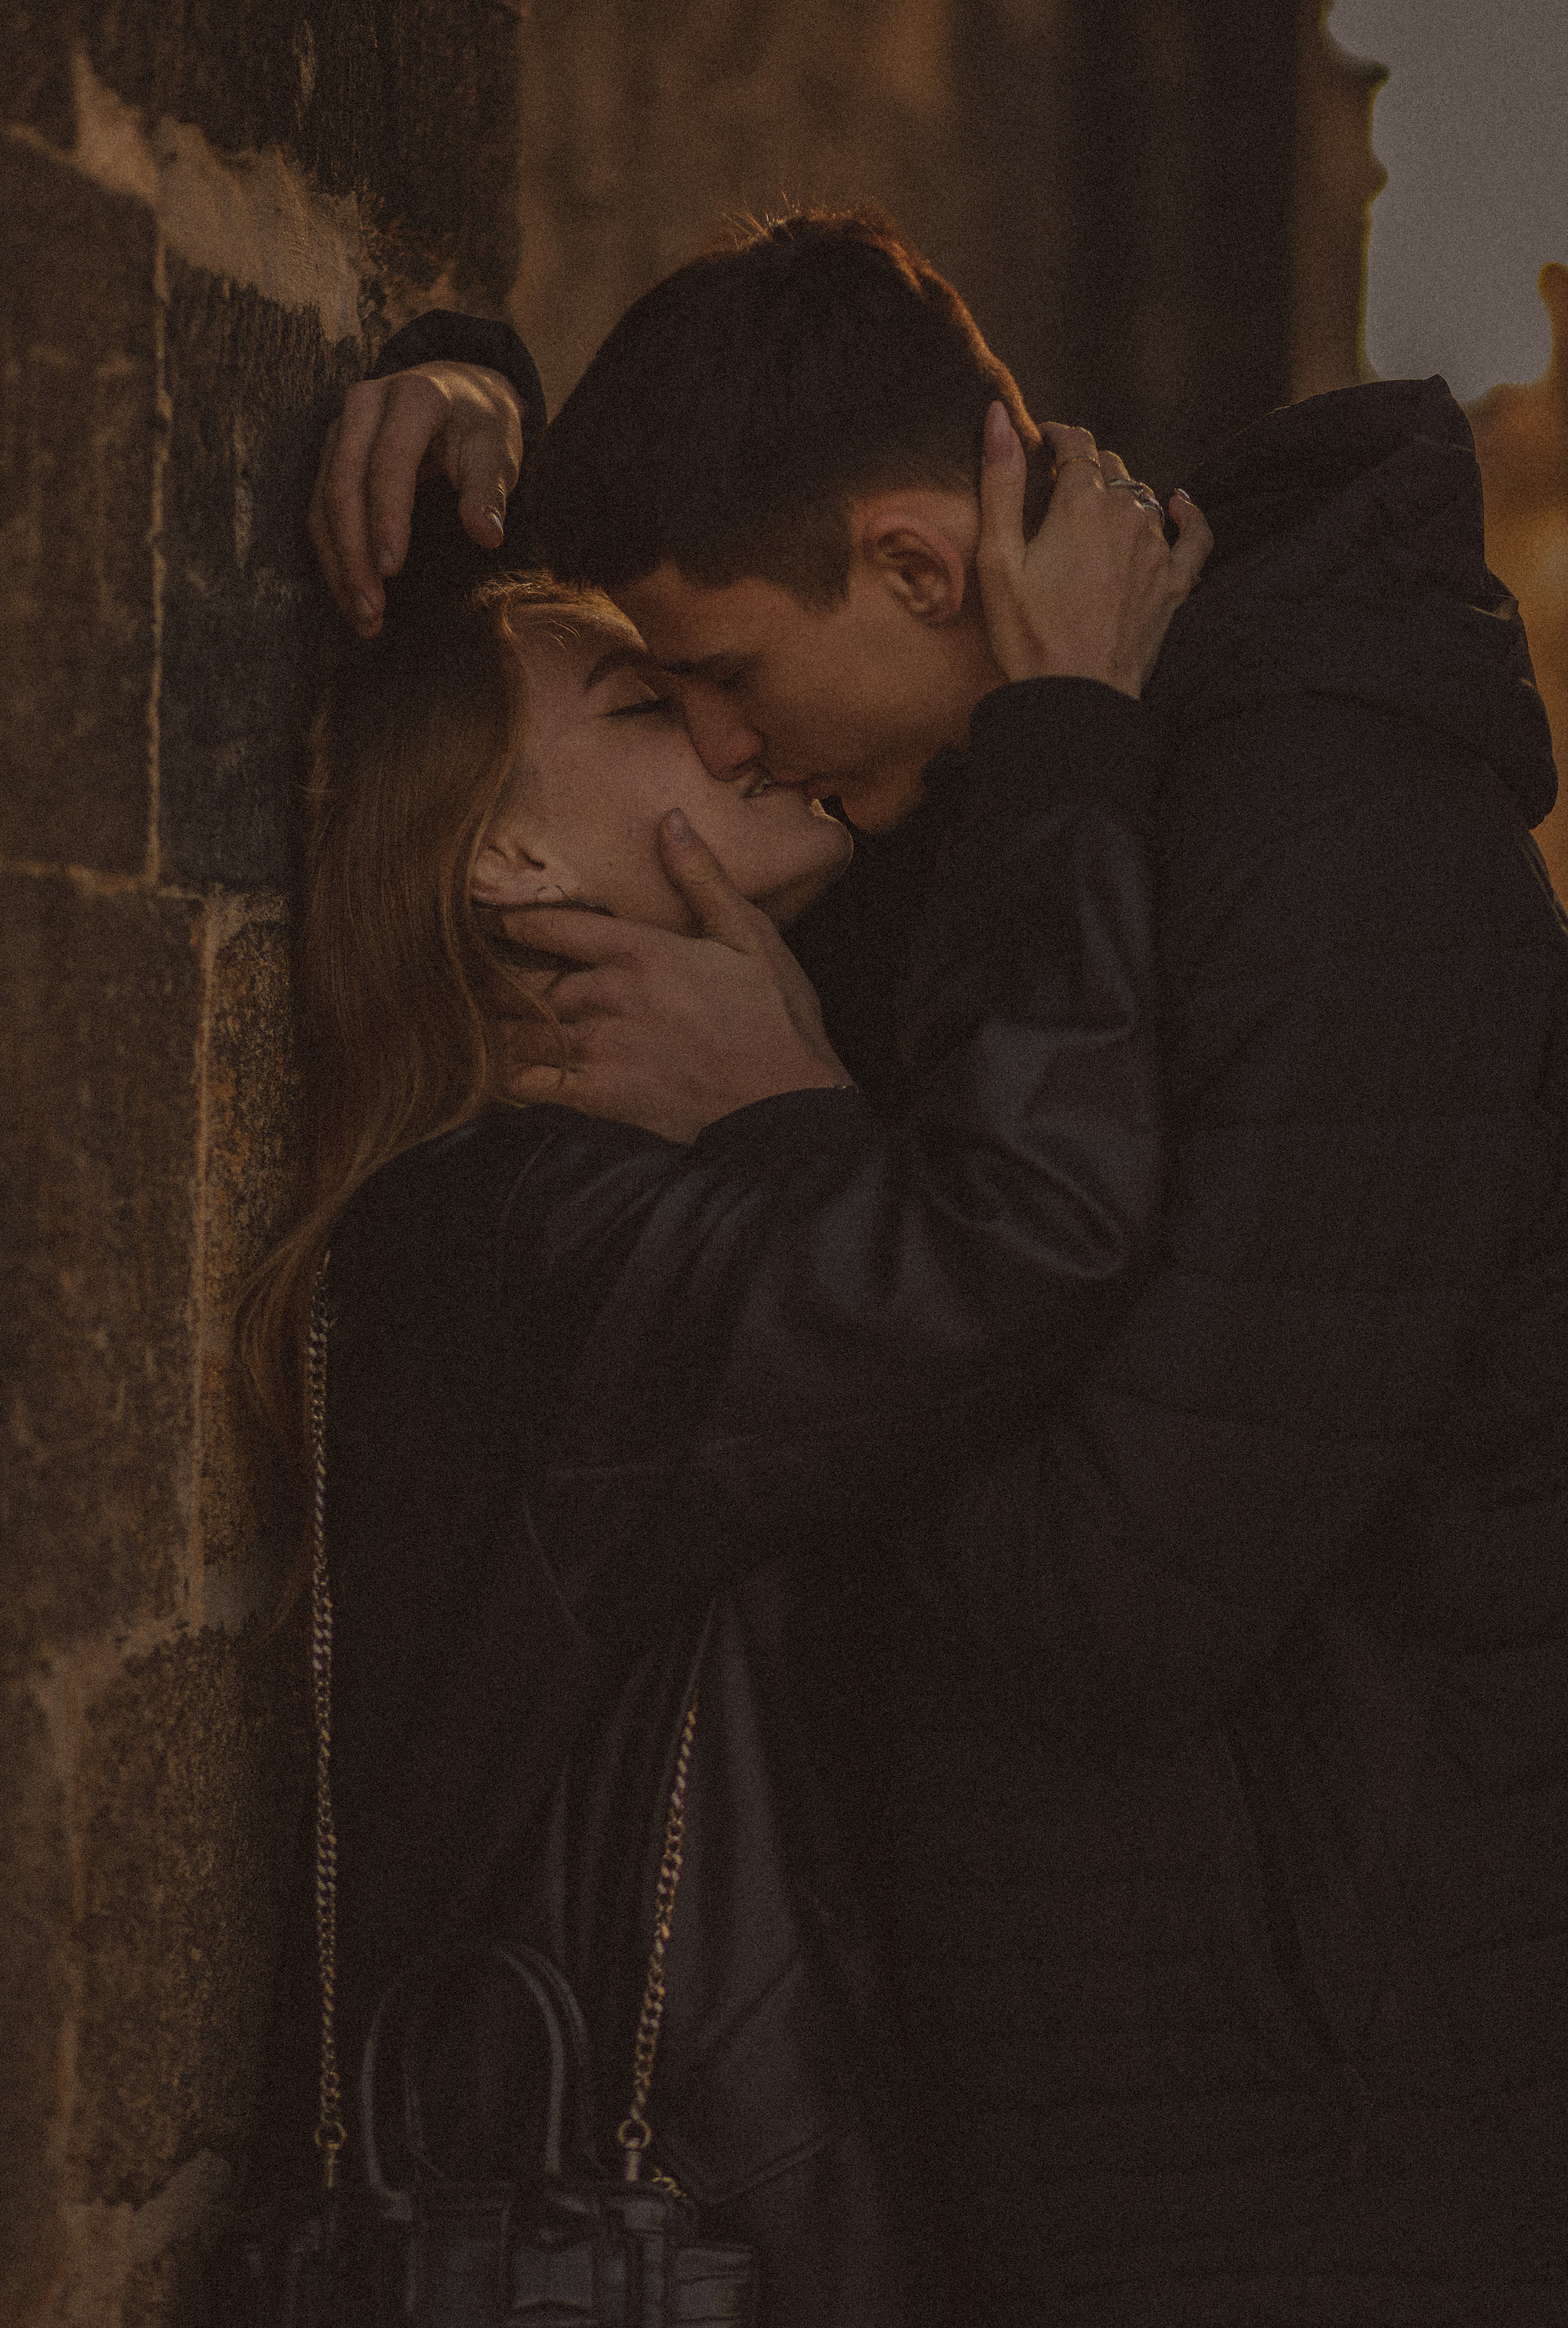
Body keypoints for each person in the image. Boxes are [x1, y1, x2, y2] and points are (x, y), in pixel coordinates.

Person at [312, 207, 1568, 2322]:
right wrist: (463, 401)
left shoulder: (1334, 842)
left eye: (720, 676)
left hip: (1310, 2143)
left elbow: (1112, 1583)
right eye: (671, 691)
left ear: (915, 565)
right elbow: (493, 767)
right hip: (1058, 2112)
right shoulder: (952, 795)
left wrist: (802, 1131)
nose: (731, 744)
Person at [250, 372, 1202, 2326]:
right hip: (672, 2215)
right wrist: (1074, 737)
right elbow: (1007, 1245)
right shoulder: (513, 1239)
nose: (720, 730)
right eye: (641, 714)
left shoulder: (561, 1198)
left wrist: (461, 368)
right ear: (508, 865)